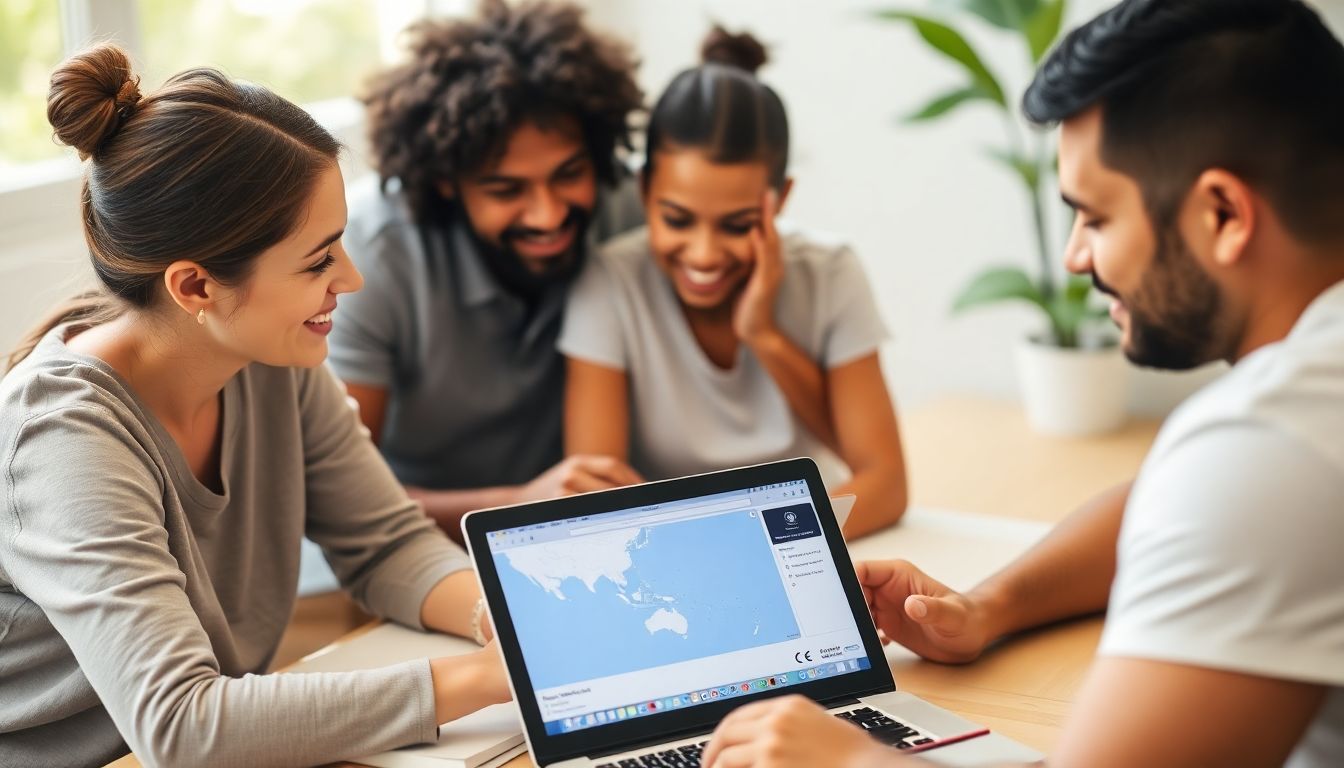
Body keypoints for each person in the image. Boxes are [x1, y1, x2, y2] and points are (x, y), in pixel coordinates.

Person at [700, 0, 1344, 765]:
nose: (1075, 255)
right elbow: (1169, 503)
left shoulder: (1272, 446)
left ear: (1223, 214)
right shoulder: (1301, 407)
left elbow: (1236, 488)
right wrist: (984, 608)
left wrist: (850, 760)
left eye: (1095, 217)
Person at [0, 45, 510, 767]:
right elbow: (182, 725)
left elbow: (387, 543)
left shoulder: (266, 354)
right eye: (318, 261)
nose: (353, 279)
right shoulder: (62, 438)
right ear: (196, 288)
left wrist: (504, 621)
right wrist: (488, 680)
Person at [560, 28, 908, 538]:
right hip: (675, 558)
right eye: (677, 219)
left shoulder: (831, 272)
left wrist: (764, 333)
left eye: (737, 225)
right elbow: (596, 495)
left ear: (781, 198)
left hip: (802, 544)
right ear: (645, 189)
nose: (703, 254)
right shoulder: (609, 282)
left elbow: (885, 482)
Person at [329, 0, 646, 541]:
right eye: (506, 190)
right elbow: (339, 496)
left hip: (598, 538)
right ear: (448, 182)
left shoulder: (631, 210)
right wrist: (518, 504)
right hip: (424, 547)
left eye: (569, 174)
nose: (548, 215)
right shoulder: (372, 254)